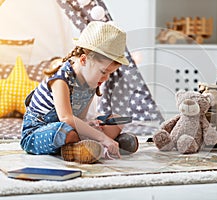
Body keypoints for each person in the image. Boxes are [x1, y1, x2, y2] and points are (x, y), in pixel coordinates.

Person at [20, 21, 138, 164]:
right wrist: (102, 137)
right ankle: (96, 144)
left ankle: (96, 145)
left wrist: (89, 124)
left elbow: (79, 118)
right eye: (103, 72)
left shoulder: (91, 82)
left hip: (72, 128)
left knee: (117, 120)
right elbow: (67, 118)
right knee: (64, 130)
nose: (106, 78)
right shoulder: (60, 80)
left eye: (110, 74)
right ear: (83, 60)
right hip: (39, 132)